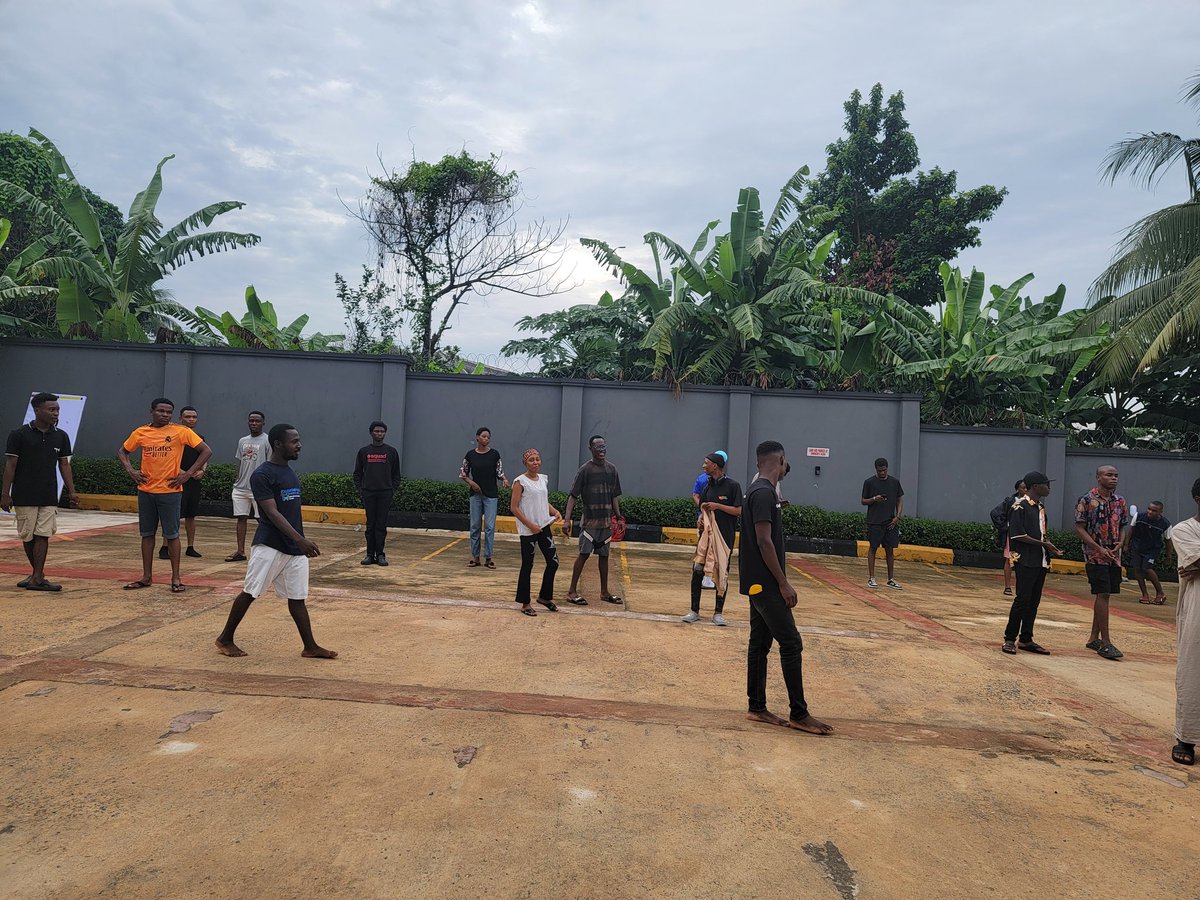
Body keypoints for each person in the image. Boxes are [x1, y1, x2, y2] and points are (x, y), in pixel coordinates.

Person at [214, 424, 337, 660]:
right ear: (278, 444)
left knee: (297, 597)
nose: (299, 445)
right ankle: (225, 638)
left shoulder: (289, 472)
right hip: (270, 544)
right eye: (294, 441)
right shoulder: (262, 474)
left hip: (293, 548)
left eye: (299, 440)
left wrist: (298, 542)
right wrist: (300, 539)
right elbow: (271, 513)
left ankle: (310, 647)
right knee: (250, 592)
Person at [740, 440, 832, 735]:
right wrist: (783, 583)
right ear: (780, 460)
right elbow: (765, 541)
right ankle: (799, 714)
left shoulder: (755, 491)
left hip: (754, 583)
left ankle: (756, 707)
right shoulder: (765, 493)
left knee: (760, 644)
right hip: (767, 585)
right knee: (791, 643)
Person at [118, 397, 212, 593]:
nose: (165, 415)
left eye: (169, 412)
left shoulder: (181, 431)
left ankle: (176, 578)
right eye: (161, 411)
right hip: (146, 491)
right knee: (147, 534)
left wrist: (187, 474)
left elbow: (206, 451)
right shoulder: (141, 432)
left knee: (172, 535)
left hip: (170, 492)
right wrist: (131, 471)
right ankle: (146, 576)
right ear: (151, 411)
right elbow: (123, 451)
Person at [2, 392, 79, 592]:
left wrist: (72, 491)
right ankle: (38, 575)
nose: (55, 413)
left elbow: (64, 465)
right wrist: (5, 493)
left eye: (57, 410)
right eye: (51, 409)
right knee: (28, 535)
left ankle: (37, 577)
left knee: (43, 534)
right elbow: (11, 464)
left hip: (48, 494)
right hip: (24, 493)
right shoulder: (18, 434)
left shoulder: (60, 436)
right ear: (37, 411)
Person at [1075, 465, 1131, 661]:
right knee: (1103, 593)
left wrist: (1120, 543)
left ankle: (1093, 638)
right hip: (1095, 556)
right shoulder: (1087, 500)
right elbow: (1080, 528)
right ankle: (1106, 642)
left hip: (1114, 557)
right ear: (1098, 477)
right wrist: (1098, 548)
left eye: (1116, 475)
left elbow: (1122, 526)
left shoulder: (1120, 501)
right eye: (1109, 475)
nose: (1113, 478)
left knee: (1105, 594)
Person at [1001, 471, 1061, 655]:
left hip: (1040, 561)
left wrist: (1047, 548)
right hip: (1026, 560)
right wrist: (1044, 544)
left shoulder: (1039, 507)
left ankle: (1026, 638)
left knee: (1033, 602)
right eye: (1046, 484)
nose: (1049, 488)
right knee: (1022, 600)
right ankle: (1010, 639)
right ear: (1036, 486)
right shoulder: (1020, 506)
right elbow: (1018, 534)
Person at [683, 450, 742, 626]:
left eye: (706, 463)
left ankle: (718, 613)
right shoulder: (707, 486)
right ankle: (694, 611)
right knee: (697, 570)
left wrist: (718, 506)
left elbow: (739, 511)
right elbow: (704, 509)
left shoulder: (733, 486)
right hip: (706, 538)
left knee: (721, 573)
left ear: (715, 466)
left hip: (724, 538)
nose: (703, 466)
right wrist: (702, 520)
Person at [563, 435, 623, 605]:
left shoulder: (612, 470)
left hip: (605, 524)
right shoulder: (585, 470)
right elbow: (573, 496)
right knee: (583, 555)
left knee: (604, 557)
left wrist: (618, 517)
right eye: (598, 447)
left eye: (604, 447)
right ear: (591, 450)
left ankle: (604, 592)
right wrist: (567, 520)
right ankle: (572, 591)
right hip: (589, 523)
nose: (602, 450)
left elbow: (614, 496)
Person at [1167, 477, 1200, 766]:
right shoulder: (1185, 530)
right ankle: (1186, 738)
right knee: (1194, 672)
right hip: (1197, 615)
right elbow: (1194, 560)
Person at [510, 448, 563, 616]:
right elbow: (514, 508)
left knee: (553, 562)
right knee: (528, 565)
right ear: (525, 463)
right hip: (528, 530)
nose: (535, 462)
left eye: (537, 459)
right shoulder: (520, 482)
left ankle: (545, 597)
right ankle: (525, 603)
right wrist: (530, 525)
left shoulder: (542, 479)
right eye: (531, 460)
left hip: (543, 526)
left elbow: (543, 502)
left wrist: (554, 512)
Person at [160, 406, 205, 560]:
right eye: (187, 417)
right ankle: (165, 547)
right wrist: (181, 472)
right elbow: (167, 456)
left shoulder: (199, 438)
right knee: (173, 515)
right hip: (176, 480)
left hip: (193, 482)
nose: (191, 419)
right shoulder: (173, 436)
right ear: (180, 418)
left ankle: (190, 547)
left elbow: (205, 456)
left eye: (194, 417)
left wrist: (202, 471)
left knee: (191, 516)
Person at [460, 427, 508, 568]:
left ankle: (488, 557)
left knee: (489, 526)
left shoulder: (494, 454)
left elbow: (499, 471)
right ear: (477, 438)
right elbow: (463, 473)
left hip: (491, 495)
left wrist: (504, 479)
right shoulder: (470, 455)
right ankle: (475, 557)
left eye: (488, 437)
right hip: (475, 495)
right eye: (483, 436)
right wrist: (471, 483)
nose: (486, 439)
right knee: (474, 526)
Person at [354, 420, 401, 566]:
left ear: (385, 433)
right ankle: (369, 555)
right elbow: (357, 474)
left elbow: (396, 474)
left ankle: (380, 555)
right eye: (376, 431)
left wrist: (392, 489)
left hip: (385, 493)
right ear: (371, 433)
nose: (379, 433)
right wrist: (361, 490)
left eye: (382, 431)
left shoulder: (391, 452)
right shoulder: (364, 452)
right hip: (369, 493)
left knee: (381, 525)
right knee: (370, 525)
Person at [226, 411, 269, 563]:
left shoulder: (267, 441)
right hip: (240, 487)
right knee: (241, 518)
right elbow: (240, 461)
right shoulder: (242, 441)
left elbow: (270, 464)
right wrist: (237, 478)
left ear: (263, 423)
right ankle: (240, 551)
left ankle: (265, 551)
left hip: (258, 488)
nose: (254, 423)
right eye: (251, 421)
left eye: (257, 421)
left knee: (262, 519)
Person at [861, 457, 904, 589]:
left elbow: (899, 499)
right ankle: (871, 578)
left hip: (890, 521)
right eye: (880, 471)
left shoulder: (894, 482)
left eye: (884, 470)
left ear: (887, 468)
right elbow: (863, 501)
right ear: (876, 470)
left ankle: (891, 579)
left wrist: (897, 516)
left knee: (889, 549)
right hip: (874, 521)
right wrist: (874, 499)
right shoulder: (869, 482)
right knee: (873, 548)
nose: (882, 473)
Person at [1129, 500, 1172, 605]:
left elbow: (1168, 541)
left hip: (1152, 550)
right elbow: (1131, 531)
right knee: (1137, 570)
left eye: (1154, 510)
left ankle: (1160, 593)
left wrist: (1168, 556)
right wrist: (1126, 545)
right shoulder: (1138, 516)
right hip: (1137, 547)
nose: (1150, 512)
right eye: (1149, 509)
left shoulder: (1165, 524)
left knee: (1147, 569)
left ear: (1160, 512)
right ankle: (1145, 594)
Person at [994, 479, 1027, 596]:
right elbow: (995, 513)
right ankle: (1007, 587)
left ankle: (1021, 588)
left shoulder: (1031, 502)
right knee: (1010, 559)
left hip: (1025, 535)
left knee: (1022, 561)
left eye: (1027, 487)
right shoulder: (1010, 502)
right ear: (1018, 488)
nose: (1025, 490)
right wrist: (1004, 527)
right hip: (1012, 535)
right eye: (1023, 487)